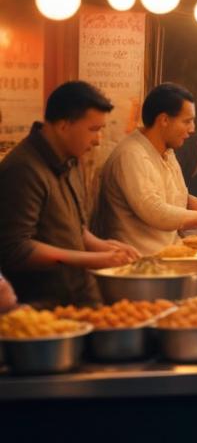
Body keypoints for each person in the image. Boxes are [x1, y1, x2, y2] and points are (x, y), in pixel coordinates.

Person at [0, 81, 139, 305]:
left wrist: (106, 246)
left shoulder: (71, 159)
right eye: (93, 129)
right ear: (63, 126)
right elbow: (16, 248)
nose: (98, 140)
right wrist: (91, 259)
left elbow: (76, 229)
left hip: (81, 295)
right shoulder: (22, 169)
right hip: (45, 308)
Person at [97, 83, 197, 255]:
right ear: (164, 120)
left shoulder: (167, 152)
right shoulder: (131, 155)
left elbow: (173, 192)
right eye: (187, 121)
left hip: (169, 255)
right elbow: (154, 210)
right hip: (141, 263)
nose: (192, 129)